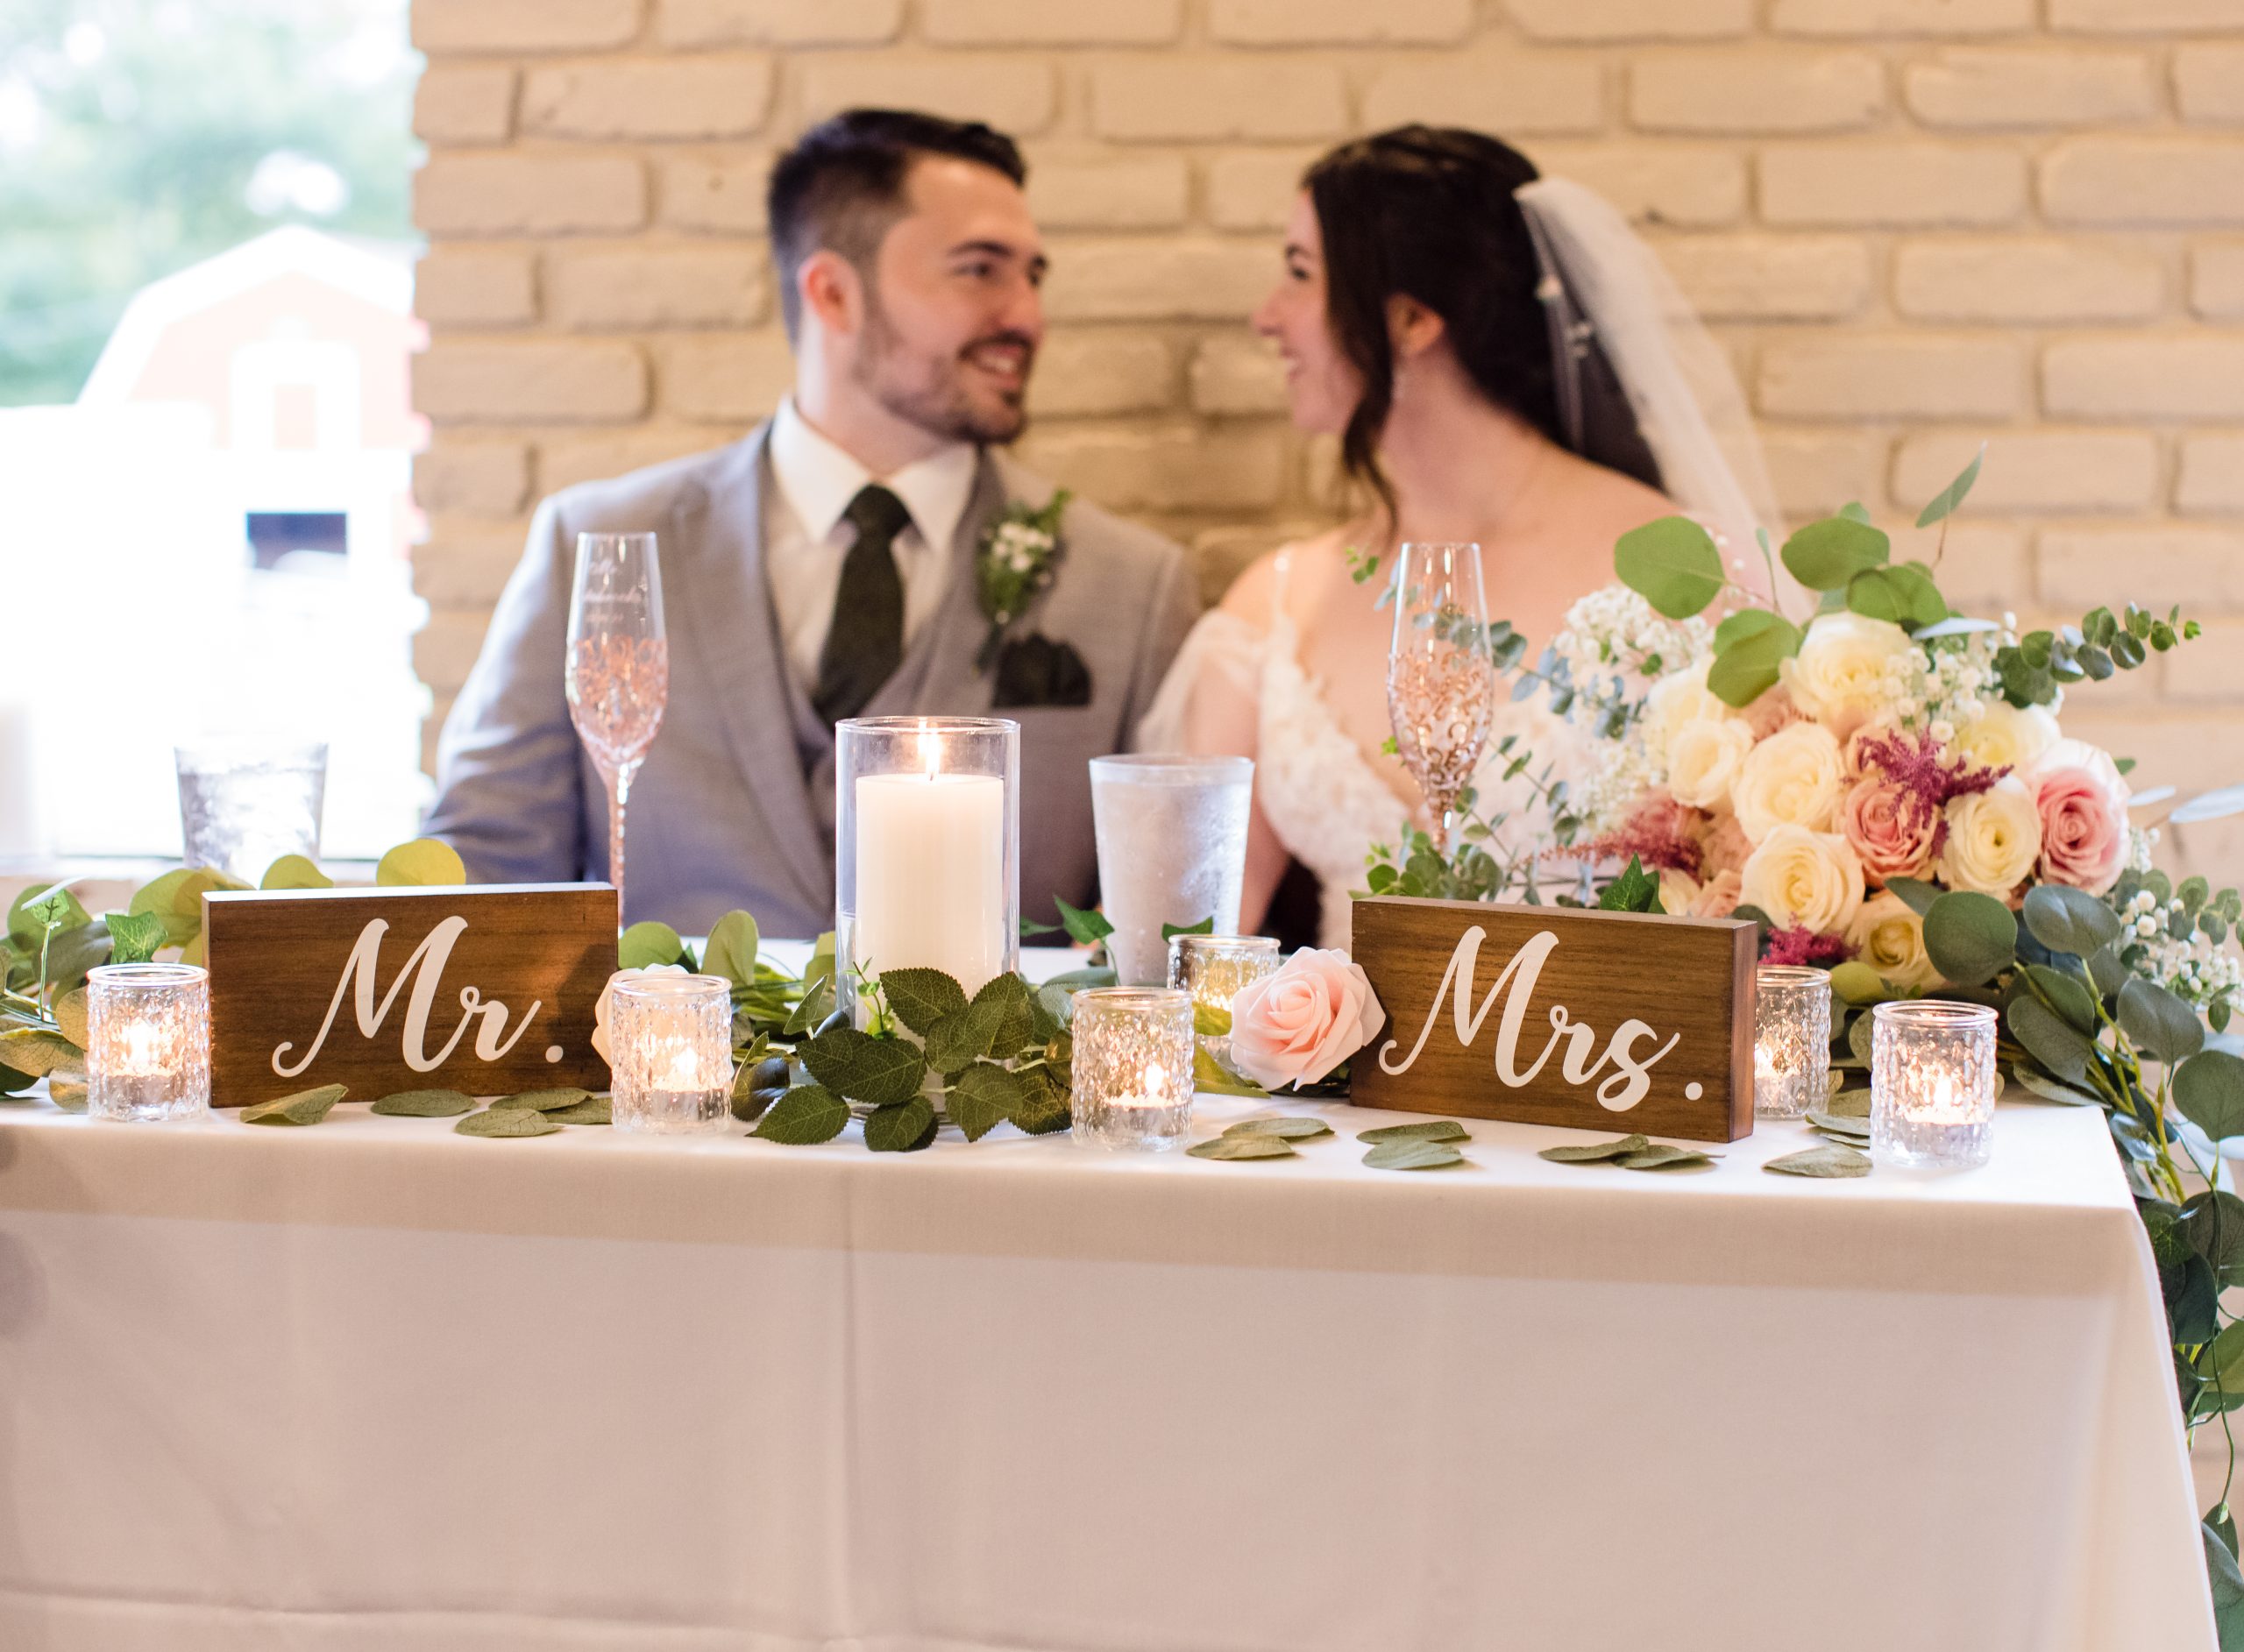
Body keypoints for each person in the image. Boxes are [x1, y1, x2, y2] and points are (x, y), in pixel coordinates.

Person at [424, 110, 1201, 936]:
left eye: (1033, 277)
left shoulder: (1134, 585)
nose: (1027, 317)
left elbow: (1159, 933)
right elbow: (482, 875)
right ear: (833, 291)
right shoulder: (596, 543)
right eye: (980, 271)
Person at [1139, 126, 1780, 947]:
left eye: (1301, 274)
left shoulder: (1679, 569)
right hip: (1337, 1072)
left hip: (1606, 1064)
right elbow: (1181, 932)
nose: (1268, 317)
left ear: (1409, 320)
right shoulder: (1278, 600)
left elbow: (1763, 898)